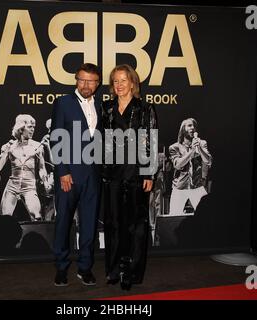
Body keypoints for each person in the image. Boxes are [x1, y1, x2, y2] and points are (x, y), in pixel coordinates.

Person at [102, 64, 158, 290]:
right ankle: (113, 270)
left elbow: (151, 142)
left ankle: (132, 273)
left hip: (136, 173)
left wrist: (149, 172)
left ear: (133, 83)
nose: (119, 85)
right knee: (113, 223)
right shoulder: (106, 108)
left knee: (136, 226)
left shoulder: (145, 108)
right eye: (115, 81)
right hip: (113, 174)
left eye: (123, 80)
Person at [50, 63, 102, 286]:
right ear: (76, 80)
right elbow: (56, 136)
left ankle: (84, 267)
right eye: (82, 80)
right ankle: (61, 267)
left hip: (94, 175)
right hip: (69, 175)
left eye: (91, 81)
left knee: (89, 224)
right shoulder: (63, 103)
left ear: (97, 84)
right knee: (63, 222)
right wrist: (63, 171)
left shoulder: (102, 104)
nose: (86, 85)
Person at [0, 114, 48, 222]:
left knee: (36, 215)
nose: (33, 130)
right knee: (5, 217)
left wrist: (45, 182)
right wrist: (4, 152)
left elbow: (42, 168)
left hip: (29, 186)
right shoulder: (10, 146)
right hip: (12, 186)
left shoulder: (37, 147)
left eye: (34, 127)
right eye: (30, 127)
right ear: (21, 128)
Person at [168, 118, 212, 216]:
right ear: (183, 129)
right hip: (179, 187)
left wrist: (199, 149)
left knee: (207, 215)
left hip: (197, 186)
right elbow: (178, 165)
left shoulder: (202, 143)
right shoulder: (174, 147)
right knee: (173, 217)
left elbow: (208, 161)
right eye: (189, 125)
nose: (193, 128)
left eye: (194, 126)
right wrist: (191, 152)